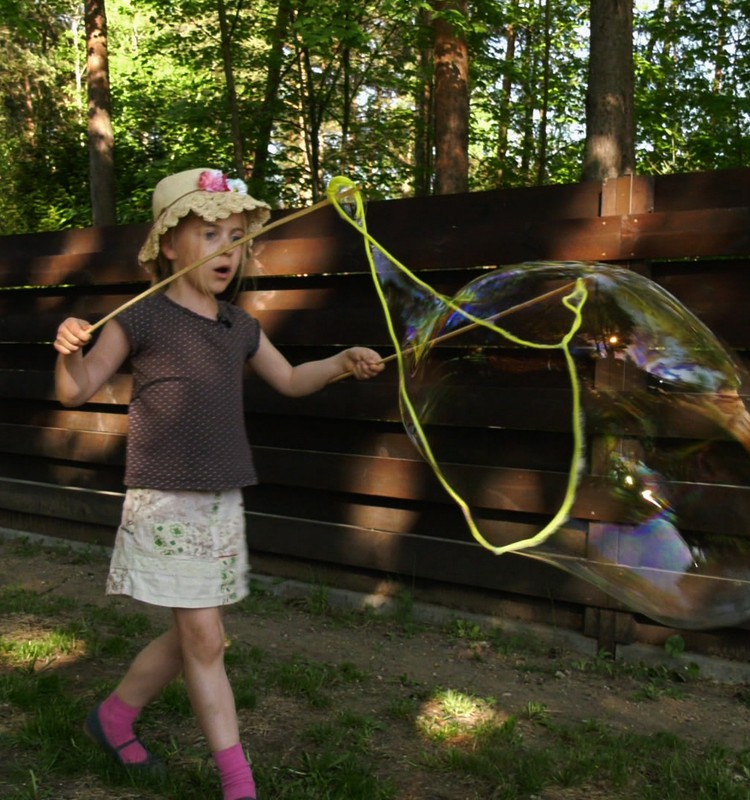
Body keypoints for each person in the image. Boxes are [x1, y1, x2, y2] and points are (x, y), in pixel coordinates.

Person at [53, 167, 384, 800]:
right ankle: (240, 786)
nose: (228, 250)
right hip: (165, 501)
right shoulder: (142, 320)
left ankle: (114, 716)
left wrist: (340, 363)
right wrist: (68, 346)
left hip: (219, 500)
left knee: (198, 637)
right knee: (204, 638)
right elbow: (76, 388)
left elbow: (289, 380)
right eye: (210, 235)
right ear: (169, 244)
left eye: (236, 236)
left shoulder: (238, 328)